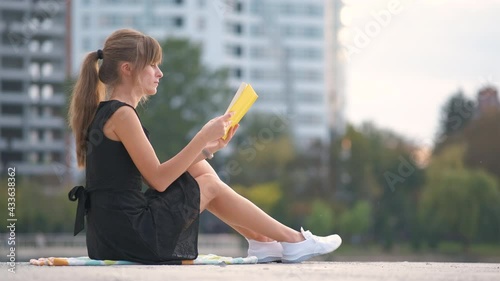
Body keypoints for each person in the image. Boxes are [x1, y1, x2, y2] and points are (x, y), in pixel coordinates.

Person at [68, 28, 341, 265]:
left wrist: (209, 148)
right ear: (127, 69)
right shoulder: (123, 115)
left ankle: (262, 240)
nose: (159, 73)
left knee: (201, 168)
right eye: (152, 65)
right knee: (208, 184)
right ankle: (293, 239)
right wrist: (201, 136)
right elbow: (158, 180)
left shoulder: (108, 111)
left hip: (110, 234)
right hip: (131, 234)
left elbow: (158, 175)